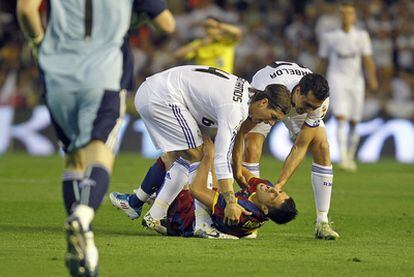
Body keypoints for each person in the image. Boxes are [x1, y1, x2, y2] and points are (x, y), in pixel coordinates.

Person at [16, 0, 175, 276]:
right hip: (104, 76)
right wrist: (129, 20)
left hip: (57, 75)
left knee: (73, 157)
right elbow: (167, 25)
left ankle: (85, 241)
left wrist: (39, 43)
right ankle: (83, 214)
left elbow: (26, 10)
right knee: (99, 151)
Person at [110, 65, 291, 237]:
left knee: (175, 157)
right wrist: (230, 201)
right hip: (163, 97)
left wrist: (236, 168)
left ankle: (136, 202)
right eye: (273, 117)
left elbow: (237, 134)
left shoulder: (246, 92)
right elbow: (221, 158)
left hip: (157, 90)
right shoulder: (236, 109)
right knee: (199, 154)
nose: (270, 123)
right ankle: (202, 224)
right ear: (263, 102)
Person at [237, 61, 339, 240]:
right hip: (271, 98)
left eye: (313, 108)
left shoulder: (317, 104)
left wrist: (280, 184)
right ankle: (252, 216)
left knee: (322, 146)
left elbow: (300, 146)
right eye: (307, 104)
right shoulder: (265, 88)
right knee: (252, 145)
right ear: (298, 91)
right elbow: (241, 131)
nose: (309, 110)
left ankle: (322, 222)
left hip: (290, 103)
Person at [163, 136, 297, 238]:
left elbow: (196, 190)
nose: (273, 189)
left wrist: (209, 156)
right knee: (215, 165)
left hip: (184, 217)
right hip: (203, 200)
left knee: (175, 157)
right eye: (279, 191)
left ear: (264, 209)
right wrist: (225, 160)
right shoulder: (263, 189)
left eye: (274, 196)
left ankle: (154, 205)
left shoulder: (240, 211)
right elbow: (239, 170)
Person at [317, 1, 378, 171]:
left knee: (354, 120)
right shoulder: (330, 37)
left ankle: (351, 155)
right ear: (340, 16)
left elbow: (367, 59)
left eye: (349, 13)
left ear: (354, 17)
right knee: (340, 116)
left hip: (356, 80)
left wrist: (372, 78)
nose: (346, 16)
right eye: (343, 13)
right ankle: (343, 156)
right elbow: (323, 59)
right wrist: (315, 78)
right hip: (337, 77)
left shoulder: (361, 36)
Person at [174, 17, 242, 73]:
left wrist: (219, 25)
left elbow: (238, 33)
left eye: (211, 26)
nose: (209, 29)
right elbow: (177, 55)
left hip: (223, 79)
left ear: (219, 28)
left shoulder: (225, 41)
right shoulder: (199, 43)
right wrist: (201, 44)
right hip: (205, 81)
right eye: (206, 27)